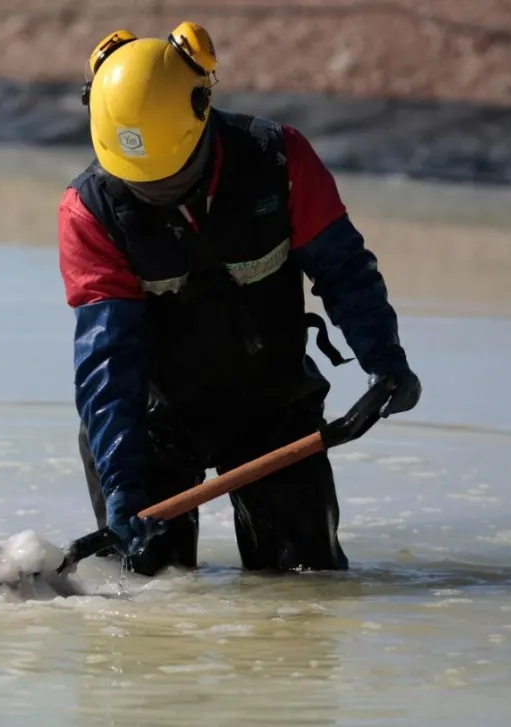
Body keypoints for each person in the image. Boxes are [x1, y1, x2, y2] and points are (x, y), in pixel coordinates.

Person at [57, 22, 422, 576]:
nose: (156, 193)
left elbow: (344, 270)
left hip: (271, 405)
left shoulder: (280, 161)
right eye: (141, 185)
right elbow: (109, 363)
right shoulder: (90, 213)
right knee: (150, 605)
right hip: (151, 424)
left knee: (305, 594)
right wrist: (122, 488)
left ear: (202, 109)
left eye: (171, 178)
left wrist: (385, 361)